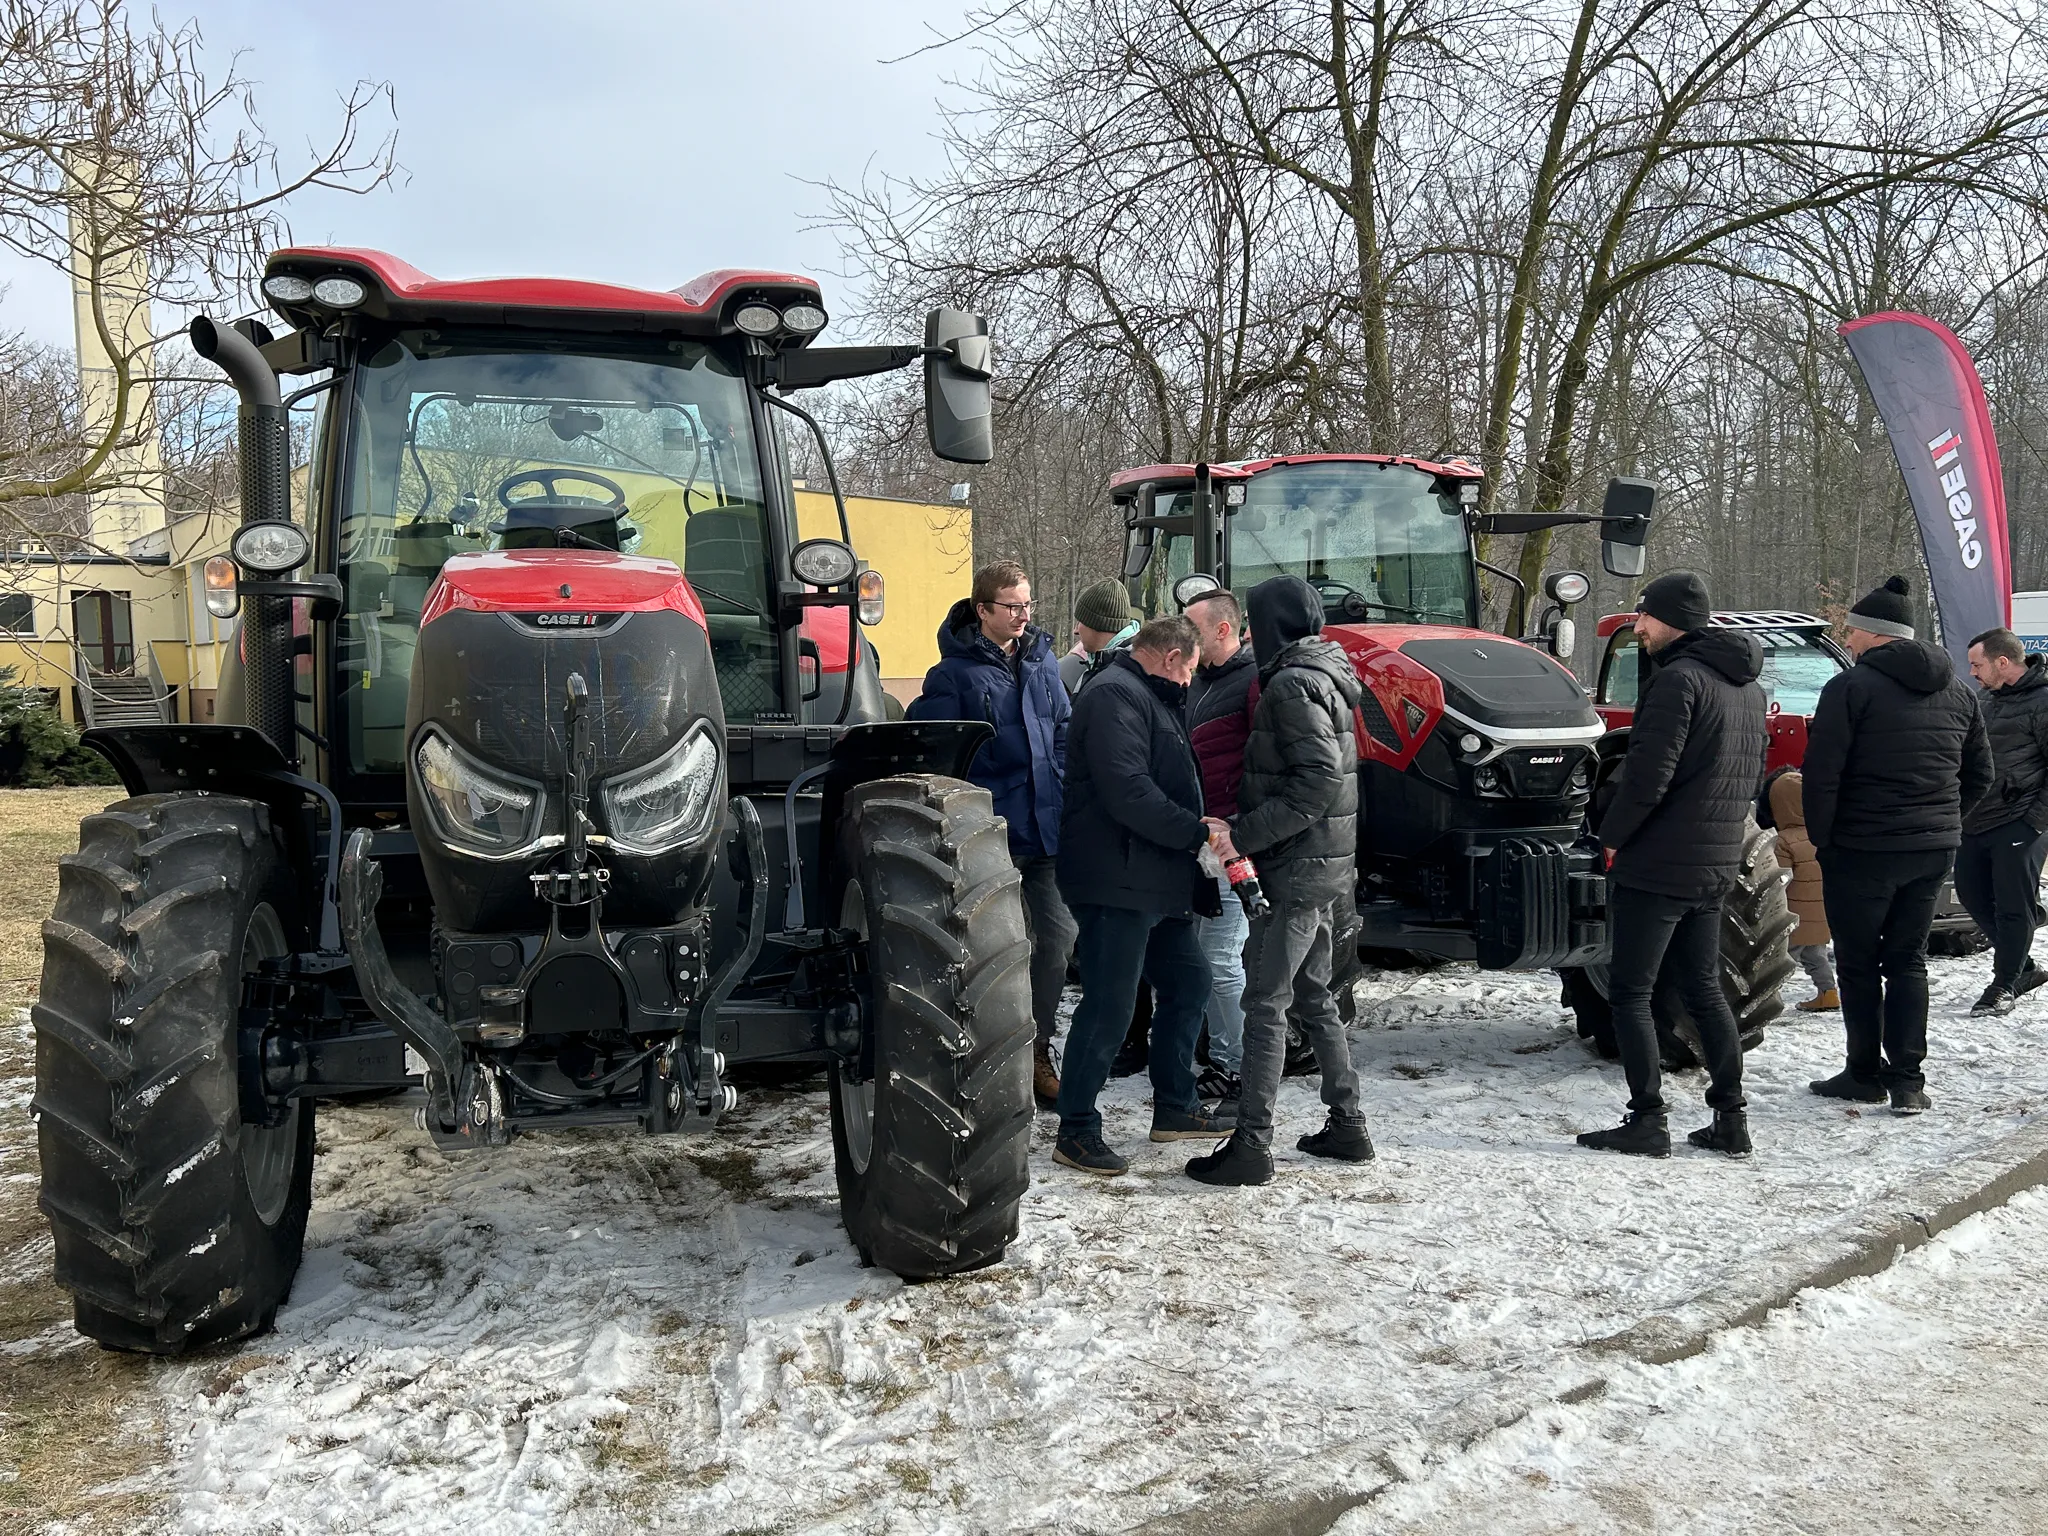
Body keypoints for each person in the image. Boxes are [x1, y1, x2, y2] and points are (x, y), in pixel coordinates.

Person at [1187, 576, 1372, 1186]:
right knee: (1315, 995)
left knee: (1265, 1003)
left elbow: (1316, 782)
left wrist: (1244, 833)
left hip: (1295, 871)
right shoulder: (1327, 673)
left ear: (1269, 626)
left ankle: (1252, 1142)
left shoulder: (1291, 683)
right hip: (1325, 866)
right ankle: (1347, 1125)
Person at [1579, 570, 1767, 1159]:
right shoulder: (1748, 689)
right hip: (1715, 863)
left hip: (1658, 864)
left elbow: (1647, 778)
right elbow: (1748, 779)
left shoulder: (1677, 682)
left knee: (1631, 993)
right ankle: (1731, 1119)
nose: (1637, 628)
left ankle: (1647, 1120)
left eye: (1643, 617)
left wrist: (1611, 838)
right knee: (1705, 990)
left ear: (1669, 620)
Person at [1802, 575, 1993, 1115]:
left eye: (1853, 629)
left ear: (1872, 634)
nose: (1848, 636)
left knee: (1859, 964)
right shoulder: (1958, 690)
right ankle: (1909, 1080)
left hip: (1862, 850)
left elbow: (1822, 776)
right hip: (1931, 850)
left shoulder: (1850, 687)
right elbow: (1981, 772)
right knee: (1907, 962)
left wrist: (1825, 841)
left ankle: (1864, 1073)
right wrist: (1944, 821)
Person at [1052, 614, 1235, 1174]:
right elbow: (1126, 789)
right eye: (1191, 672)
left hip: (1155, 878)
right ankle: (1076, 1127)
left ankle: (1175, 1106)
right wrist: (1195, 830)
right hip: (1116, 878)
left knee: (1190, 982)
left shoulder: (1147, 695)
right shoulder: (1114, 696)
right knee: (1109, 1005)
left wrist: (1190, 825)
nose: (1191, 683)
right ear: (1174, 657)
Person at [907, 560, 1078, 1109]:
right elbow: (936, 754)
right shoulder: (952, 676)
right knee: (998, 951)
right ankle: (993, 1055)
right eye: (1013, 606)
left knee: (1056, 941)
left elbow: (1065, 734)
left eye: (1028, 604)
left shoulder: (1043, 660)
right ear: (983, 610)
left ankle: (1038, 1049)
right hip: (991, 834)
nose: (1024, 615)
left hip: (1047, 832)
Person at [1183, 587, 1257, 1103]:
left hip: (1230, 842)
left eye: (1194, 627)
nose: (1185, 636)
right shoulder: (1196, 684)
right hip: (1196, 839)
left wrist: (1240, 829)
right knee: (1203, 955)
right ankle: (1220, 1055)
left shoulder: (1251, 685)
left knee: (1221, 955)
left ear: (1223, 629)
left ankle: (1239, 1066)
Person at [1958, 627, 2048, 1015]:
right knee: (1971, 894)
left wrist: (2035, 821)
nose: (1973, 672)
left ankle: (2004, 983)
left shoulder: (2044, 701)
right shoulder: (1986, 697)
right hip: (1976, 818)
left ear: (2003, 662)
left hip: (2020, 820)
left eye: (1978, 665)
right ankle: (2024, 966)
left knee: (2013, 906)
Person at [1768, 768, 1838, 1012]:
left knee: (1780, 960)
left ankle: (1766, 999)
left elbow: (1781, 879)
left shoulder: (1784, 841)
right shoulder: (1823, 834)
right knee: (1815, 955)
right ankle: (1828, 993)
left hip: (1793, 915)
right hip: (1821, 912)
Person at [1059, 578, 1140, 697]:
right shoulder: (1122, 664)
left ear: (1096, 623)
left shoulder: (1115, 681)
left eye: (1080, 622)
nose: (1075, 631)